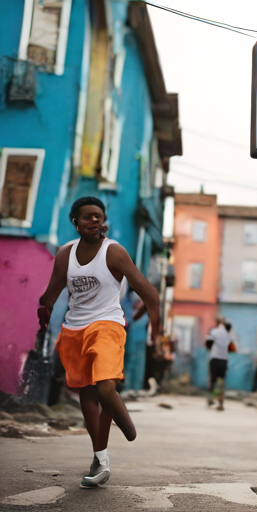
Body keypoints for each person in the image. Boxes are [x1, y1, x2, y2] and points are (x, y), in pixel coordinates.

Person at [38, 197, 160, 488]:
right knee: (87, 395)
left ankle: (127, 426)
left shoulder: (114, 252)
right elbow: (52, 291)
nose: (94, 221)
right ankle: (100, 460)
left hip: (107, 324)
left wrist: (157, 331)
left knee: (106, 386)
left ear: (104, 221)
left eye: (98, 216)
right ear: (75, 223)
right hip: (74, 329)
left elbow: (149, 293)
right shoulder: (65, 254)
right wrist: (44, 311)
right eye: (87, 217)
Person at [205, 317, 231, 411]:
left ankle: (210, 400)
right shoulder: (227, 334)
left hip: (215, 358)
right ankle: (221, 401)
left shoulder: (214, 331)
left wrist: (210, 348)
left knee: (212, 380)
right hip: (224, 359)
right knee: (221, 381)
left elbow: (208, 342)